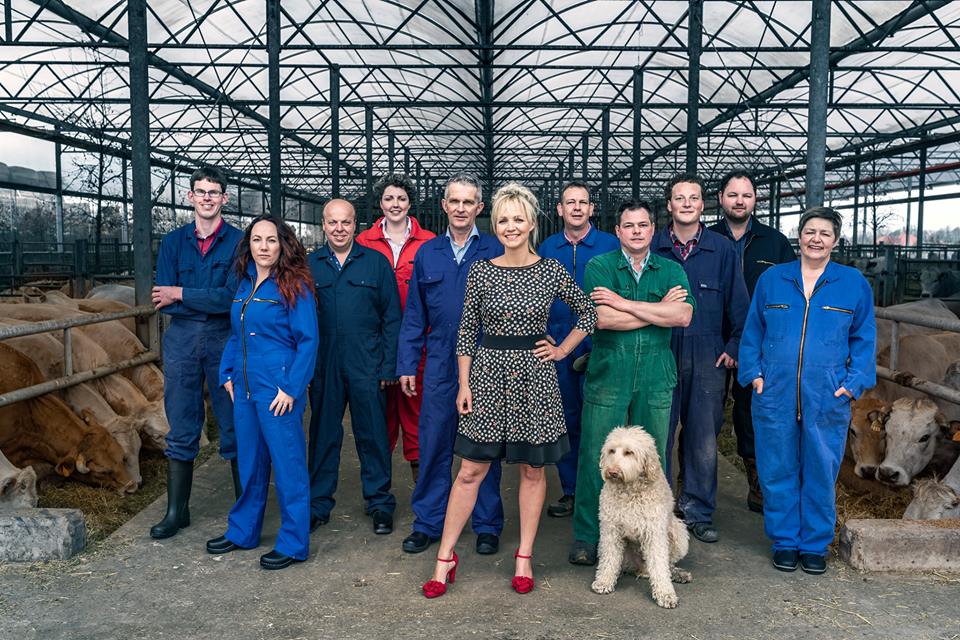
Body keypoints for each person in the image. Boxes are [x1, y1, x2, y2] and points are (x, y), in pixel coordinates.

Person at [422, 182, 597, 598]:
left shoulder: (550, 270)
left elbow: (588, 311)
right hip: (486, 375)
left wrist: (562, 349)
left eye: (518, 219)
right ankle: (444, 557)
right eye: (503, 220)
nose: (511, 226)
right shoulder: (482, 270)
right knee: (470, 471)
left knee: (533, 470)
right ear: (495, 225)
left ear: (532, 223)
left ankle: (524, 556)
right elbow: (467, 330)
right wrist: (464, 384)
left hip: (535, 378)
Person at [738, 207, 875, 575]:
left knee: (821, 469)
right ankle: (785, 541)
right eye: (810, 231)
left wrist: (852, 384)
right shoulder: (773, 279)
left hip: (827, 394)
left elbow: (864, 338)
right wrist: (754, 374)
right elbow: (753, 331)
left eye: (825, 233)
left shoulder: (852, 283)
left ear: (835, 240)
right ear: (798, 236)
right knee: (776, 468)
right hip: (774, 391)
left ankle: (814, 544)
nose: (816, 239)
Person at [569, 199, 694, 566]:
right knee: (598, 452)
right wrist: (658, 312)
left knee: (652, 457)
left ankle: (650, 537)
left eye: (643, 225)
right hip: (610, 369)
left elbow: (683, 316)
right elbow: (602, 319)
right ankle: (588, 535)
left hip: (655, 373)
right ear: (618, 231)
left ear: (653, 230)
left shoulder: (670, 269)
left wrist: (623, 303)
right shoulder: (600, 266)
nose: (636, 231)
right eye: (629, 225)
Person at [397, 174, 505, 556]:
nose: (461, 208)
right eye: (454, 201)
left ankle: (487, 524)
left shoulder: (495, 248)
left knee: (484, 446)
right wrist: (407, 363)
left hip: (487, 359)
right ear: (444, 205)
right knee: (433, 442)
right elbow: (414, 314)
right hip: (440, 361)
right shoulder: (428, 253)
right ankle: (428, 521)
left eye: (468, 202)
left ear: (479, 208)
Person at [205, 215, 318, 570]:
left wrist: (292, 388)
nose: (264, 247)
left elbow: (308, 340)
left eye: (271, 240)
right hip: (244, 387)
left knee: (288, 465)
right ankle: (243, 531)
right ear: (249, 244)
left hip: (277, 389)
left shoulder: (294, 284)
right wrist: (226, 373)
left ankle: (294, 542)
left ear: (283, 244)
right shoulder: (245, 282)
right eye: (257, 240)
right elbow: (236, 332)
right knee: (250, 462)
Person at [651, 174, 750, 545]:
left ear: (703, 204)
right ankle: (657, 512)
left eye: (693, 198)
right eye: (680, 198)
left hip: (707, 354)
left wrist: (734, 345)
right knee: (657, 434)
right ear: (670, 205)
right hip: (660, 350)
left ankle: (698, 512)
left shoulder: (721, 249)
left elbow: (739, 303)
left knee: (703, 438)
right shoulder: (653, 245)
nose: (687, 204)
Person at [150, 166, 244, 540]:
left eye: (214, 192)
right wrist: (189, 298)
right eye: (201, 191)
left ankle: (245, 511)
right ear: (190, 196)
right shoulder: (173, 242)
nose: (207, 198)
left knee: (234, 421)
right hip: (182, 341)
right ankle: (177, 511)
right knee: (181, 421)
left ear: (224, 198)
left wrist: (183, 294)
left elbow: (231, 298)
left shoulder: (239, 242)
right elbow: (163, 299)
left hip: (224, 340)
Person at [307, 199, 401, 535]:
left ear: (355, 224)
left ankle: (379, 502)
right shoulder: (309, 266)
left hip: (367, 363)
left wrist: (388, 367)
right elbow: (296, 320)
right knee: (323, 435)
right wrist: (304, 370)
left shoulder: (375, 263)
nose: (339, 229)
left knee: (372, 434)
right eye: (332, 222)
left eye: (345, 222)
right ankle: (317, 504)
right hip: (324, 364)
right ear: (323, 225)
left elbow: (392, 318)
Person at [707, 170, 795, 513]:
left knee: (751, 411)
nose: (739, 201)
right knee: (703, 412)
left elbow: (789, 293)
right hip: (712, 340)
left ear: (755, 199)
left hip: (759, 343)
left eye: (746, 195)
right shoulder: (706, 238)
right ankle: (694, 482)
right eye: (733, 195)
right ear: (721, 199)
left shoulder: (775, 243)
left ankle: (757, 483)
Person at [537, 180, 619, 518]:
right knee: (566, 418)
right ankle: (571, 490)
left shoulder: (610, 245)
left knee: (601, 419)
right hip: (559, 343)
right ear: (560, 209)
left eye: (582, 202)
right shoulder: (547, 248)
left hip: (601, 341)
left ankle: (602, 491)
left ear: (591, 209)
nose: (576, 208)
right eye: (570, 202)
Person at [356, 174, 436, 482]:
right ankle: (380, 486)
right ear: (380, 203)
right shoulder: (364, 242)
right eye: (389, 198)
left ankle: (422, 484)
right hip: (375, 343)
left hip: (418, 342)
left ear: (410, 203)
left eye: (401, 199)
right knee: (381, 413)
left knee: (416, 409)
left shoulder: (429, 242)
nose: (395, 204)